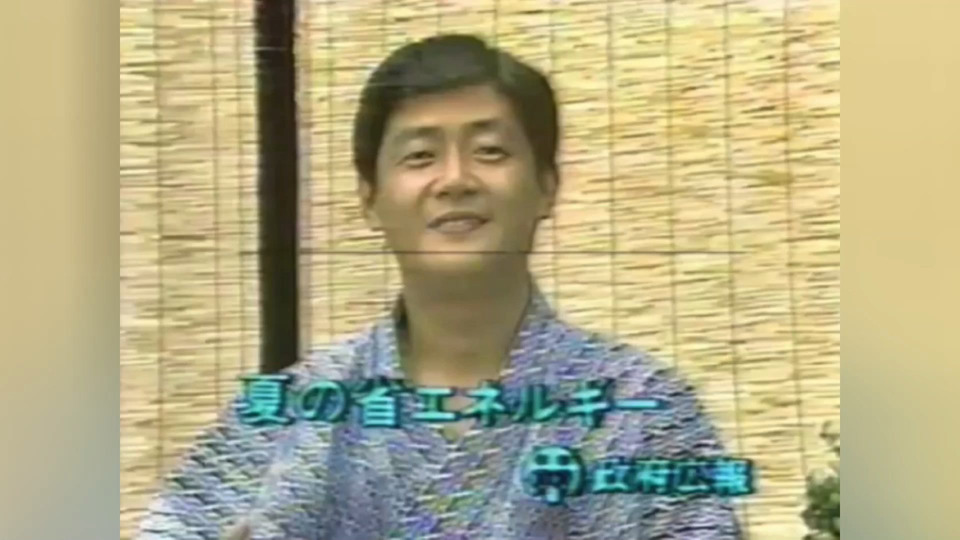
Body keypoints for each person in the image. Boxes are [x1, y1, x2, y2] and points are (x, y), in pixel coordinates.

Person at [137, 34, 743, 540]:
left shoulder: (646, 411)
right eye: (420, 156)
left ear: (547, 186)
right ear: (370, 198)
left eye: (490, 150)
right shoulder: (288, 413)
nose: (455, 180)